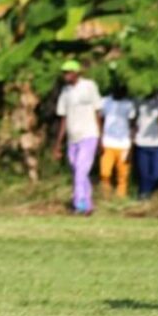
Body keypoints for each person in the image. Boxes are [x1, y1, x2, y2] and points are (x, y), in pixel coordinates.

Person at [53, 60, 101, 214]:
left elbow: (97, 112)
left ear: (77, 73)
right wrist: (58, 143)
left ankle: (78, 204)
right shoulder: (65, 92)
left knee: (81, 170)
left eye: (69, 72)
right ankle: (87, 204)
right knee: (78, 171)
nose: (66, 75)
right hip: (73, 138)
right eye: (64, 72)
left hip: (89, 134)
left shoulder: (89, 86)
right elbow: (63, 119)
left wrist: (100, 136)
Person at [98, 84, 135, 198]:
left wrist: (131, 145)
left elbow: (132, 125)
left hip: (124, 144)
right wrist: (100, 138)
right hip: (108, 142)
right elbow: (100, 119)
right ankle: (106, 196)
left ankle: (120, 198)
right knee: (105, 173)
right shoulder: (105, 101)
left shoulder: (129, 104)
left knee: (123, 175)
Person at [133, 91, 158, 199]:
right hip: (141, 143)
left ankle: (147, 191)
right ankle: (144, 194)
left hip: (157, 143)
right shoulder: (139, 100)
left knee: (157, 174)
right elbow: (133, 118)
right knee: (144, 173)